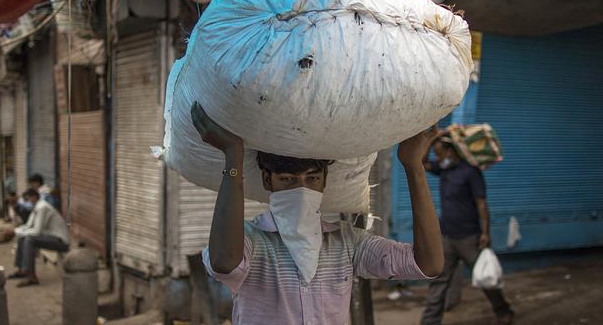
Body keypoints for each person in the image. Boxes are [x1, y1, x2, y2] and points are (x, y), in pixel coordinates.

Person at [190, 101, 444, 324]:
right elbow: (224, 262)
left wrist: (413, 167)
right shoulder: (249, 240)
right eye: (287, 179)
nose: (301, 189)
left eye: (312, 179)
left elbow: (428, 264)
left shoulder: (348, 242)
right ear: (268, 181)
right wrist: (233, 156)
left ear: (324, 182)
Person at [420, 135, 514, 325]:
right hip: (447, 237)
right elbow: (422, 162)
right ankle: (429, 322)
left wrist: (485, 232)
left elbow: (481, 203)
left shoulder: (470, 172)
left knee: (485, 278)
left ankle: (503, 310)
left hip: (469, 238)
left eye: (440, 154)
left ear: (452, 150)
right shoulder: (444, 169)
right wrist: (432, 139)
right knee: (438, 282)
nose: (438, 160)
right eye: (436, 156)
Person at [5, 188, 70, 287]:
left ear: (34, 197)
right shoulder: (37, 207)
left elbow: (36, 231)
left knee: (30, 239)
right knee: (23, 237)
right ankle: (22, 270)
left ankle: (32, 277)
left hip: (60, 241)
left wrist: (15, 231)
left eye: (28, 199)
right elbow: (28, 226)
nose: (27, 202)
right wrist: (16, 230)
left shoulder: (43, 207)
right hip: (50, 237)